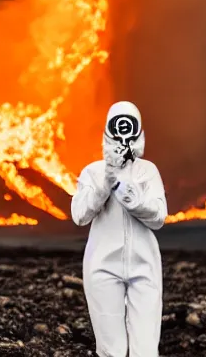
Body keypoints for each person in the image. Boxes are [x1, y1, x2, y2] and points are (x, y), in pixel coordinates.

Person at [71, 101, 168, 357]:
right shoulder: (93, 172)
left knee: (146, 350)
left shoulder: (148, 172)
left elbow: (159, 217)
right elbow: (79, 215)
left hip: (144, 265)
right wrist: (105, 184)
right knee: (110, 350)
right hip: (102, 267)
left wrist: (132, 198)